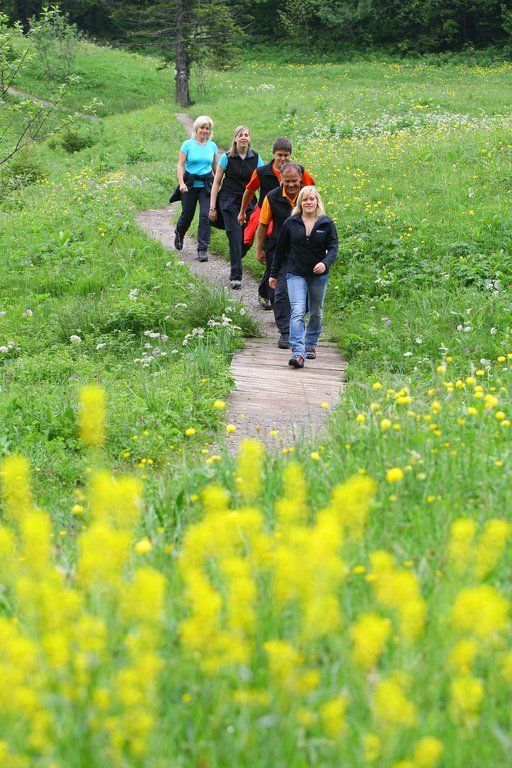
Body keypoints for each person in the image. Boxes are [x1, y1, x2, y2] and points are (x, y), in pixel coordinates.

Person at [237, 137, 315, 309]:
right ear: (273, 154)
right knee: (273, 260)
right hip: (270, 221)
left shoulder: (299, 171)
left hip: (295, 223)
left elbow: (312, 191)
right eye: (280, 155)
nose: (283, 159)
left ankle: (285, 298)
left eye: (286, 155)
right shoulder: (261, 172)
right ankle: (268, 294)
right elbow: (249, 190)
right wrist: (242, 212)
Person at [269, 187, 338, 368]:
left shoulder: (326, 223)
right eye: (305, 199)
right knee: (298, 310)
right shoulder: (291, 223)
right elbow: (280, 250)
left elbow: (333, 248)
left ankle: (310, 344)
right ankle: (298, 352)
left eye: (312, 199)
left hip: (318, 275)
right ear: (300, 202)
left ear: (317, 201)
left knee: (316, 311)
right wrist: (274, 274)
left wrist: (325, 263)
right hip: (295, 273)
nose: (308, 202)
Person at [209, 125, 264, 289]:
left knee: (246, 239)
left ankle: (236, 258)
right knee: (234, 236)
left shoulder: (256, 158)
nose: (244, 137)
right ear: (235, 138)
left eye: (246, 135)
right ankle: (236, 276)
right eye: (241, 135)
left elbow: (263, 181)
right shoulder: (226, 158)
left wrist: (265, 205)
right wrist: (212, 207)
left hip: (249, 203)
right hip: (228, 201)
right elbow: (216, 182)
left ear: (249, 138)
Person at [255, 162, 302, 348]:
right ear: (281, 179)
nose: (291, 185)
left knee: (302, 291)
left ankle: (297, 325)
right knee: (279, 291)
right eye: (287, 181)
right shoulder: (271, 197)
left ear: (300, 179)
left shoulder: (308, 196)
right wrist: (259, 249)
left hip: (303, 251)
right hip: (277, 250)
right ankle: (285, 332)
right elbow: (263, 225)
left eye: (294, 181)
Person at [174, 116, 218, 263]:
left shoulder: (212, 146)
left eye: (207, 128)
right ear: (196, 129)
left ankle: (202, 249)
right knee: (187, 214)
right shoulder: (188, 145)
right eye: (202, 128)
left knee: (205, 216)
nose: (204, 131)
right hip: (190, 184)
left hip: (206, 186)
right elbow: (180, 165)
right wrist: (181, 183)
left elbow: (215, 168)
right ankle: (179, 232)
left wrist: (219, 184)